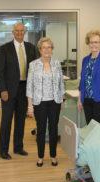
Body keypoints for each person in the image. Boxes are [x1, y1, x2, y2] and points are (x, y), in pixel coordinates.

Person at [0, 22, 38, 160]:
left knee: (21, 120)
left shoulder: (31, 48)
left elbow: (35, 70)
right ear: (13, 32)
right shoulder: (4, 49)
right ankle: (3, 150)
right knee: (6, 121)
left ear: (25, 32)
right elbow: (0, 72)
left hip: (24, 89)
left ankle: (18, 147)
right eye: (17, 31)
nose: (20, 33)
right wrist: (2, 89)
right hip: (8, 90)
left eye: (22, 31)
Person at [26, 37, 65, 167]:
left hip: (55, 102)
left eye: (49, 47)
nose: (47, 50)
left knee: (53, 129)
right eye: (44, 47)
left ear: (52, 49)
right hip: (39, 102)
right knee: (41, 130)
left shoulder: (57, 63)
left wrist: (62, 99)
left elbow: (61, 84)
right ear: (40, 50)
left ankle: (53, 156)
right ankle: (40, 156)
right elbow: (29, 85)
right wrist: (30, 105)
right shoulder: (33, 64)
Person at [78, 30, 100, 125]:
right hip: (87, 99)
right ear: (88, 43)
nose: (93, 44)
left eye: (96, 42)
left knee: (99, 129)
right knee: (90, 126)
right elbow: (82, 81)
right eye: (91, 42)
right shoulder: (85, 60)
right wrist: (80, 99)